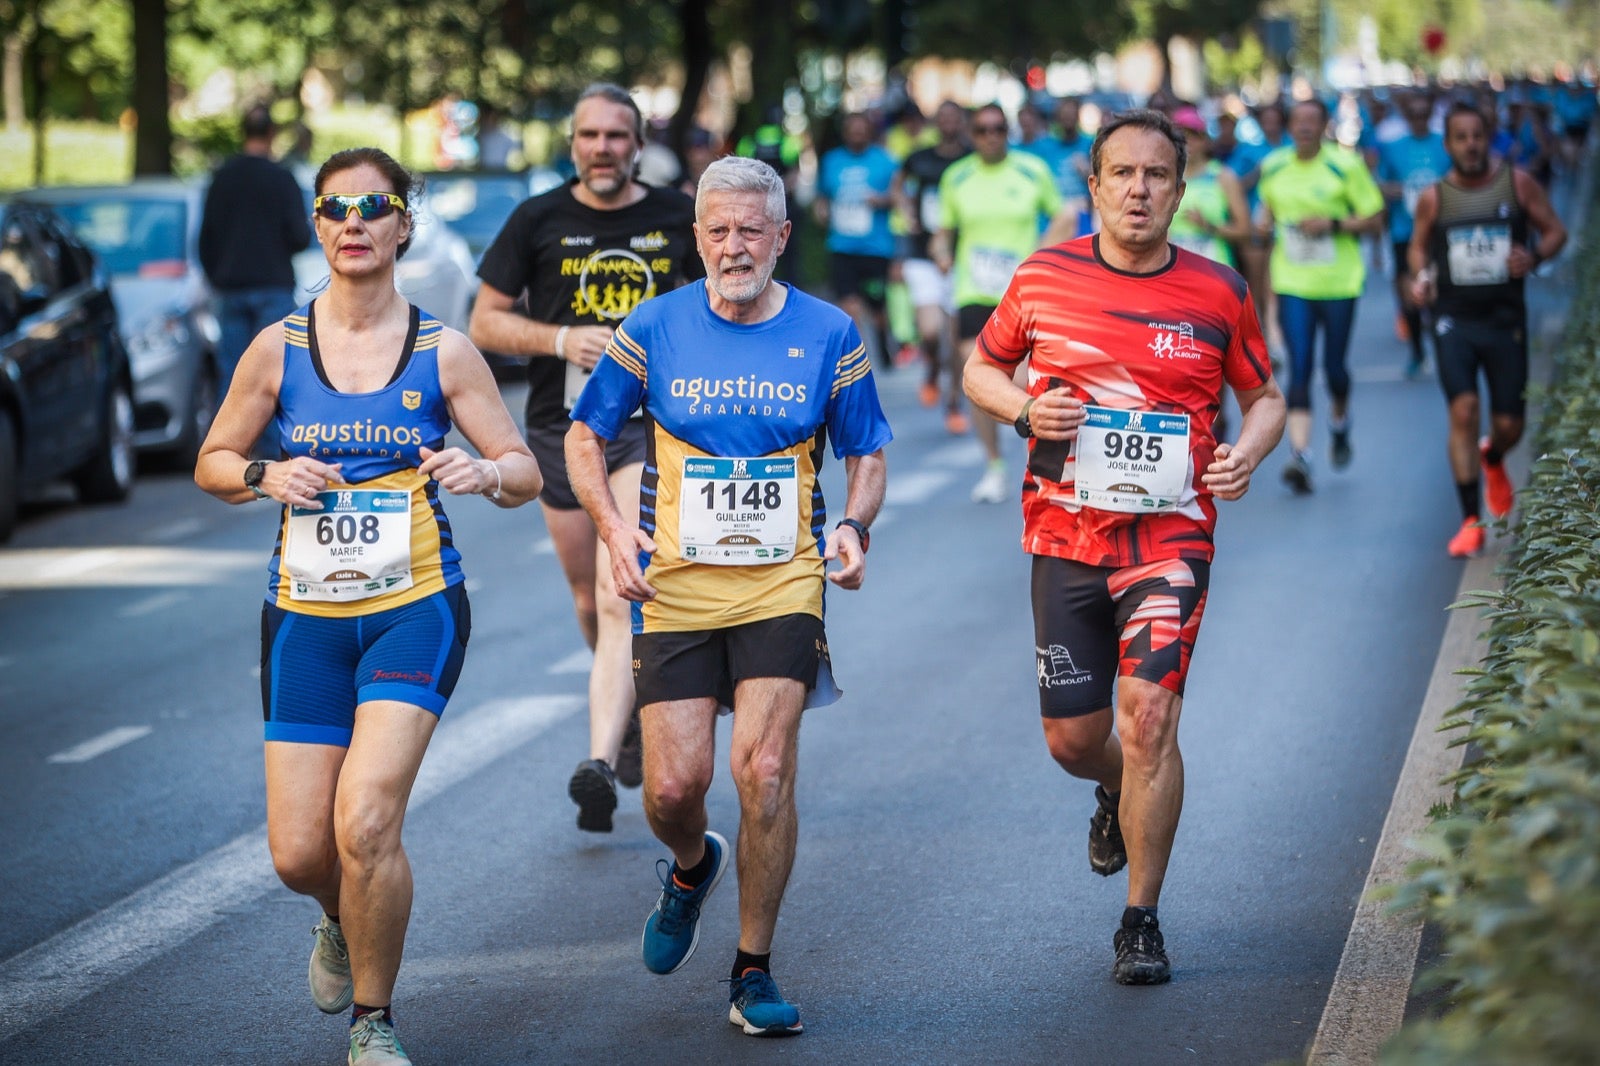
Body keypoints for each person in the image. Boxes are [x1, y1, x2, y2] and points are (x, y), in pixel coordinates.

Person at [194, 147, 542, 1065]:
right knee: (301, 854)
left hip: (416, 605)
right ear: (317, 225)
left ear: (401, 226)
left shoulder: (445, 350)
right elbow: (213, 462)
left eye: (374, 206)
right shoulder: (278, 347)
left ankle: (373, 1023)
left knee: (367, 821)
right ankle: (339, 918)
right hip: (304, 615)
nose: (355, 222)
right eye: (337, 207)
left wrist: (483, 471)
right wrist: (266, 472)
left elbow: (525, 470)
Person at [566, 155, 891, 1036]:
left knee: (767, 771)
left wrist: (854, 527)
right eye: (718, 230)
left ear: (782, 237)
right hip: (674, 584)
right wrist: (611, 528)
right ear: (698, 237)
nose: (735, 246)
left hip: (784, 580)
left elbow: (866, 452)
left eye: (753, 229)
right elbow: (585, 437)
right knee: (674, 790)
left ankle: (752, 969)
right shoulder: (654, 327)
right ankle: (688, 866)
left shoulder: (829, 333)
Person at [962, 109, 1286, 986]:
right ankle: (1113, 790)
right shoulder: (1042, 277)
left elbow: (1263, 397)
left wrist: (1246, 455)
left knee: (1150, 721)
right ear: (1095, 187)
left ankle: (1140, 919)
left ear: (1182, 192)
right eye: (1123, 174)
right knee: (1075, 740)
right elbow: (979, 370)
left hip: (1171, 537)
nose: (1139, 189)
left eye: (1157, 175)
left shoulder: (1218, 292)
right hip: (1065, 536)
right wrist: (1025, 408)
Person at [470, 83, 701, 833]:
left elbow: (716, 307)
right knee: (583, 597)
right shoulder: (536, 218)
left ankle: (597, 759)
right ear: (573, 144)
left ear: (638, 144)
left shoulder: (674, 214)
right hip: (560, 424)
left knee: (614, 588)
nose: (602, 147)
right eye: (589, 135)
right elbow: (485, 320)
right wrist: (561, 340)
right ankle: (627, 709)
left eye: (617, 135)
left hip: (646, 428)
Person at [1408, 101, 1566, 558]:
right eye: (1461, 137)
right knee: (1463, 411)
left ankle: (1493, 455)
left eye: (1478, 135)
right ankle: (1470, 523)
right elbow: (1418, 249)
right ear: (1449, 144)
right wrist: (1421, 277)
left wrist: (1533, 257)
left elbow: (1555, 231)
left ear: (1488, 137)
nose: (1471, 145)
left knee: (1509, 425)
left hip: (1504, 320)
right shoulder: (1434, 197)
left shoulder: (1517, 185)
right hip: (1453, 319)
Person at [932, 102, 1077, 503]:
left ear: (1007, 131)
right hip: (974, 290)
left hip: (1023, 291)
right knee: (976, 374)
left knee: (1020, 381)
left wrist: (1041, 258)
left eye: (998, 128)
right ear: (972, 135)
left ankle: (1035, 442)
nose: (991, 135)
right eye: (982, 129)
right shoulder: (956, 177)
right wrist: (941, 252)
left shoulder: (1032, 170)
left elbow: (1066, 214)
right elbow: (944, 230)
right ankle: (994, 464)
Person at [1255, 97, 1384, 494]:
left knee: (1335, 369)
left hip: (1339, 282)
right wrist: (1257, 229)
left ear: (1325, 125)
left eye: (1313, 121)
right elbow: (1266, 216)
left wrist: (1332, 223)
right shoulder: (1274, 165)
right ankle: (1301, 456)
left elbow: (1375, 218)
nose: (1304, 127)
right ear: (1289, 125)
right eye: (1298, 120)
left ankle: (1340, 423)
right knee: (1299, 366)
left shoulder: (1344, 165)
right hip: (1293, 283)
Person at [199, 104, 312, 397]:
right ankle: (274, 442)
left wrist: (218, 277)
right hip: (273, 286)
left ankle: (233, 442)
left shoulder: (221, 178)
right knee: (275, 371)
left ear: (243, 132)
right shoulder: (282, 178)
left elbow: (205, 238)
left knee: (233, 374)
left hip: (230, 288)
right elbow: (300, 237)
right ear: (272, 133)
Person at [892, 99, 970, 430]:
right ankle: (932, 372)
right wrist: (905, 209)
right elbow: (897, 184)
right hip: (922, 254)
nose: (949, 123)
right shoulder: (919, 157)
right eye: (943, 118)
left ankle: (953, 403)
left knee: (955, 338)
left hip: (961, 257)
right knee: (929, 331)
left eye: (955, 118)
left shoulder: (971, 160)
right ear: (935, 123)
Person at [815, 112, 901, 369]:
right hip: (842, 246)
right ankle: (859, 360)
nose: (857, 135)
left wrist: (881, 200)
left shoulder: (885, 161)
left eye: (862, 130)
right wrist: (822, 212)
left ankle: (884, 340)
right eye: (852, 130)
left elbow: (899, 198)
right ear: (845, 133)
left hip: (875, 248)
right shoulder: (831, 161)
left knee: (877, 309)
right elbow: (822, 197)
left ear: (869, 133)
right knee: (849, 305)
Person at [1376, 92, 1450, 379]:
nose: (1419, 119)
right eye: (1414, 114)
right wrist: (1396, 191)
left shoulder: (1444, 145)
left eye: (1424, 113)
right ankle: (1417, 350)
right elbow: (1380, 185)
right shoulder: (1393, 147)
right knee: (1410, 293)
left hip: (1439, 230)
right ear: (1406, 116)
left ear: (1431, 112)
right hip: (1403, 231)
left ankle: (1445, 347)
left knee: (1437, 290)